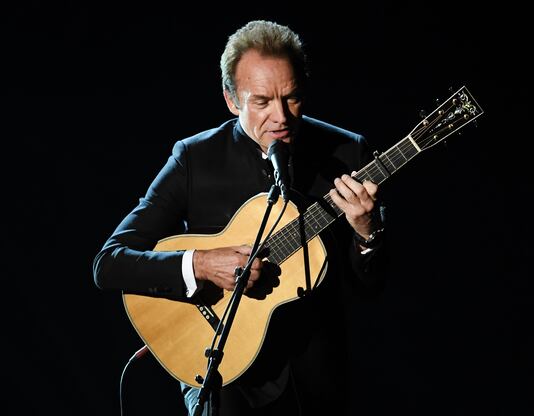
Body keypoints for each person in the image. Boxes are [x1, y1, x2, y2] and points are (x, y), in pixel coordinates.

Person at [93, 20, 387, 416]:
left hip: (317, 385)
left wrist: (367, 234)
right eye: (262, 101)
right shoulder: (194, 159)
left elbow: (371, 287)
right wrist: (200, 264)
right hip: (224, 384)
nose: (281, 116)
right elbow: (109, 264)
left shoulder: (348, 152)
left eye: (292, 97)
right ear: (232, 100)